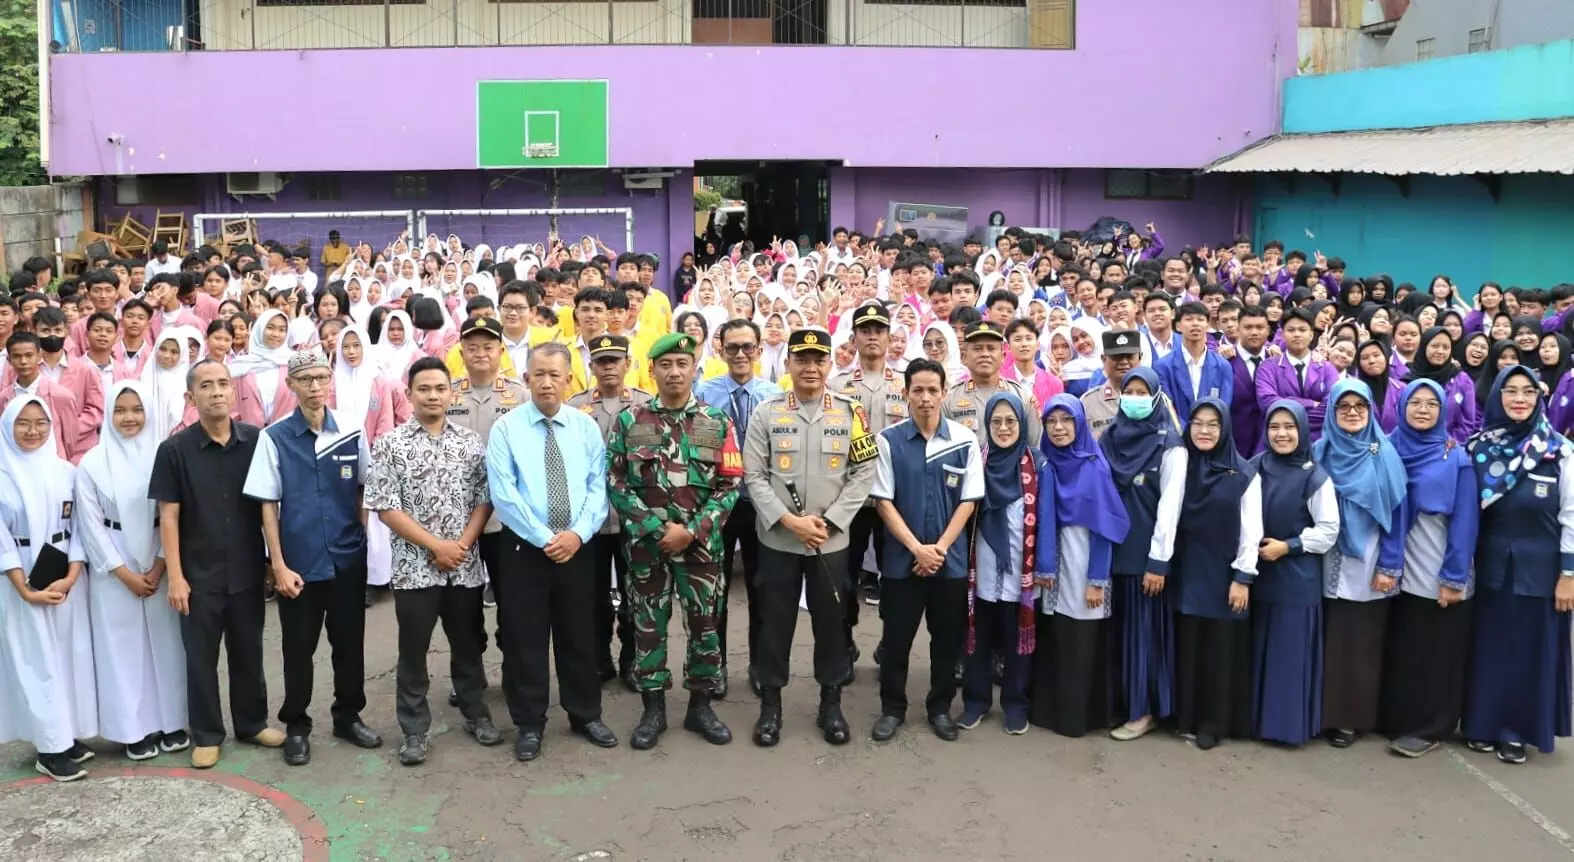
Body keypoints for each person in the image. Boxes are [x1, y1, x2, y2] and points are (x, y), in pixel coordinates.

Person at [244, 348, 382, 765]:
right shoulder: (275, 437)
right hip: (299, 564)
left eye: (322, 378)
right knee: (297, 647)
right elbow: (268, 503)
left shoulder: (350, 431)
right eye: (306, 380)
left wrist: (361, 541)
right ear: (292, 385)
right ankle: (297, 726)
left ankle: (347, 714)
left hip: (345, 558)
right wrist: (278, 564)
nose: (316, 387)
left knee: (349, 643)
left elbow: (363, 488)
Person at [741, 327, 877, 747]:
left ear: (830, 364)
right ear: (789, 364)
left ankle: (830, 704)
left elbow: (863, 475)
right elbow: (754, 476)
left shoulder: (851, 413)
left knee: (832, 624)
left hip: (830, 543)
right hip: (779, 541)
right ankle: (771, 707)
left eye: (819, 359)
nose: (811, 367)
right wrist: (789, 521)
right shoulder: (766, 413)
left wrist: (831, 522)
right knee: (773, 624)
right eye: (802, 359)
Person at [606, 332, 741, 750]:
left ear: (693, 368)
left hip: (701, 550)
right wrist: (654, 528)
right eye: (665, 365)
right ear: (652, 370)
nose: (674, 372)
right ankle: (653, 710)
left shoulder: (717, 422)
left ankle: (700, 707)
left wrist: (693, 530)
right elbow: (615, 481)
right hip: (648, 549)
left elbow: (731, 483)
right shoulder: (631, 421)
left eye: (682, 364)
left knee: (705, 628)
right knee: (648, 627)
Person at [365, 356, 501, 766]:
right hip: (414, 570)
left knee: (468, 645)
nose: (433, 396)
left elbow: (483, 499)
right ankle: (414, 729)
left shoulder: (469, 443)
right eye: (423, 389)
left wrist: (459, 544)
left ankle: (476, 713)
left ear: (451, 392)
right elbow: (386, 507)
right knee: (413, 651)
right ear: (409, 394)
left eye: (440, 388)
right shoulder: (391, 444)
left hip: (464, 566)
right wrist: (435, 547)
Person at [486, 341, 618, 761]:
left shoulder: (584, 428)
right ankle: (529, 723)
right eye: (538, 375)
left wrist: (577, 534)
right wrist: (546, 538)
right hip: (526, 548)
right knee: (525, 637)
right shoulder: (507, 428)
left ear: (568, 380)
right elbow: (504, 495)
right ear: (526, 379)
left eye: (554, 375)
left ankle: (585, 713)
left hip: (578, 547)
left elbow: (599, 489)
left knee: (579, 631)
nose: (546, 383)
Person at [150, 360, 285, 768]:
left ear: (233, 391)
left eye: (223, 384)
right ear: (191, 397)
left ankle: (251, 723)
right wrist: (175, 576)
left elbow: (268, 506)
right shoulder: (175, 449)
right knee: (200, 658)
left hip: (246, 569)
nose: (217, 392)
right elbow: (168, 516)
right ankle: (207, 734)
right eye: (206, 386)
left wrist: (273, 560)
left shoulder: (255, 440)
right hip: (198, 574)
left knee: (248, 652)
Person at [1462, 365, 1574, 764]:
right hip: (1488, 565)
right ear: (1496, 397)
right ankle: (1481, 724)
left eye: (1528, 391)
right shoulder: (1478, 448)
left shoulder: (1558, 450)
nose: (1519, 399)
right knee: (1488, 648)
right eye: (1510, 391)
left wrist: (1569, 576)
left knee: (1528, 652)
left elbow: (1571, 517)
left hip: (1540, 573)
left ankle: (1515, 730)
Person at [868, 358, 983, 742]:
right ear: (905, 394)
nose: (926, 397)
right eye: (917, 389)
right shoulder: (889, 441)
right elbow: (883, 502)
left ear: (945, 393)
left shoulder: (964, 440)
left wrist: (938, 550)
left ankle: (939, 708)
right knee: (897, 639)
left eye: (933, 389)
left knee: (946, 642)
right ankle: (892, 709)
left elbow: (968, 503)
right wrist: (917, 549)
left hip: (947, 564)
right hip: (903, 562)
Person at [79, 381, 188, 762]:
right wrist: (121, 572)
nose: (130, 418)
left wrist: (160, 566)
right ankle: (131, 728)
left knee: (166, 643)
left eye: (137, 409)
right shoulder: (92, 463)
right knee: (121, 648)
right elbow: (90, 526)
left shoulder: (163, 455)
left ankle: (172, 720)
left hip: (159, 555)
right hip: (115, 562)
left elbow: (172, 515)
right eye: (121, 410)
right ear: (109, 414)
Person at [1377, 379, 1479, 758]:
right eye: (1414, 402)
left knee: (1436, 650)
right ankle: (1399, 718)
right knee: (1406, 646)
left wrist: (1454, 577)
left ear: (1443, 411)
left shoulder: (1456, 458)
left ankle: (1430, 726)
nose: (1422, 410)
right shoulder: (1388, 447)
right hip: (1397, 564)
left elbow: (1465, 521)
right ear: (1401, 406)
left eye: (1431, 404)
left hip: (1437, 564)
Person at [0, 396, 96, 780]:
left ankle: (65, 735)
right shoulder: (3, 473)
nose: (32, 430)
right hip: (20, 581)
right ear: (8, 425)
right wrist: (24, 588)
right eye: (23, 422)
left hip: (62, 579)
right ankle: (49, 748)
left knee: (66, 660)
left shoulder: (64, 471)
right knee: (35, 663)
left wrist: (72, 575)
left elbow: (79, 528)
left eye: (40, 422)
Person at [1313, 378, 1407, 748]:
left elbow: (1398, 516)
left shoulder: (1384, 454)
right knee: (1329, 640)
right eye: (1343, 406)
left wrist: (1389, 565)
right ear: (1333, 412)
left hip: (1366, 562)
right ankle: (1321, 713)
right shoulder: (1320, 451)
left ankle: (1351, 718)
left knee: (1361, 643)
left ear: (1371, 410)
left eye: (1360, 406)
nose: (1352, 413)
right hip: (1323, 560)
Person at [442, 315, 530, 705]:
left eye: (488, 346)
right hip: (457, 520)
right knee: (462, 607)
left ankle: (515, 673)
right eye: (473, 347)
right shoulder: (447, 394)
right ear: (462, 353)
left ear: (501, 351)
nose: (480, 353)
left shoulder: (519, 396)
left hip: (504, 521)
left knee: (513, 603)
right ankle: (470, 678)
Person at [1031, 395, 1129, 737]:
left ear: (1080, 424)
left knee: (1082, 640)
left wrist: (1097, 580)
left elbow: (1105, 529)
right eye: (1051, 421)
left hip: (1083, 561)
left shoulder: (1093, 466)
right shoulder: (1045, 464)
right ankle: (1049, 712)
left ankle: (1079, 717)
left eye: (1066, 420)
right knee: (1055, 637)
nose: (1058, 428)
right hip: (1052, 566)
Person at [1100, 365, 1186, 741]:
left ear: (1155, 396)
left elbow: (1170, 508)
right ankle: (1120, 704)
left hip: (1144, 560)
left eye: (1141, 391)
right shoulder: (1109, 437)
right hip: (1109, 554)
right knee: (1117, 637)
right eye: (1128, 390)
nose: (1133, 398)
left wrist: (1158, 561)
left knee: (1143, 638)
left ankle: (1144, 709)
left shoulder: (1170, 445)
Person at [695, 318, 779, 698]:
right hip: (718, 504)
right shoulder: (706, 393)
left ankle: (761, 666)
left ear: (759, 351)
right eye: (733, 348)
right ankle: (716, 666)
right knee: (715, 590)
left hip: (761, 505)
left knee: (763, 590)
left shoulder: (774, 395)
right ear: (721, 351)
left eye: (748, 347)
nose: (741, 354)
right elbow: (697, 451)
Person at [1171, 399, 1261, 750]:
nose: (1205, 431)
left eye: (1213, 424)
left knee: (1219, 653)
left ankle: (1214, 722)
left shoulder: (1243, 473)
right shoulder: (1180, 466)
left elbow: (1252, 529)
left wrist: (1242, 577)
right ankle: (1185, 718)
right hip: (1185, 571)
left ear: (1225, 429)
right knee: (1188, 647)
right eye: (1198, 423)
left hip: (1224, 576)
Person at [1249, 401, 1340, 747]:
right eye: (1274, 427)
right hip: (1259, 576)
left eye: (1289, 426)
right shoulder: (1256, 465)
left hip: (1295, 580)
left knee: (1288, 656)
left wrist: (1288, 546)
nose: (1282, 434)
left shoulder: (1314, 475)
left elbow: (1329, 530)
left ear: (1302, 430)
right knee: (1261, 651)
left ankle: (1285, 727)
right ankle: (1256, 721)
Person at [566, 333, 651, 690]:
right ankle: (599, 658)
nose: (609, 367)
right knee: (593, 597)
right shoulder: (575, 407)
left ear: (627, 364)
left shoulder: (647, 405)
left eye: (615, 360)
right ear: (592, 367)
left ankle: (632, 659)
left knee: (637, 595)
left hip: (636, 519)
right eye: (601, 361)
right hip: (592, 522)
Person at [957, 390, 1039, 736]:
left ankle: (1015, 704)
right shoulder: (977, 461)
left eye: (1010, 421)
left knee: (1016, 640)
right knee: (977, 639)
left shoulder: (1036, 466)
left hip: (1022, 572)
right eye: (996, 421)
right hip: (982, 571)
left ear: (1021, 423)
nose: (1004, 428)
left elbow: (1046, 518)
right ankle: (975, 702)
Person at [828, 302, 905, 645]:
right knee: (844, 578)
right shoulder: (836, 385)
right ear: (854, 337)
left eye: (879, 330)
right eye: (865, 330)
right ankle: (844, 646)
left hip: (895, 496)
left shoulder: (906, 383)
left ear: (890, 337)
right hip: (849, 498)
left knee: (896, 579)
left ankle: (889, 648)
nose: (872, 336)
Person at [1080, 329, 1141, 440]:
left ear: (1140, 357)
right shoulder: (1088, 402)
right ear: (1104, 359)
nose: (1123, 362)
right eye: (1116, 356)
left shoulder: (1155, 398)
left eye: (1129, 356)